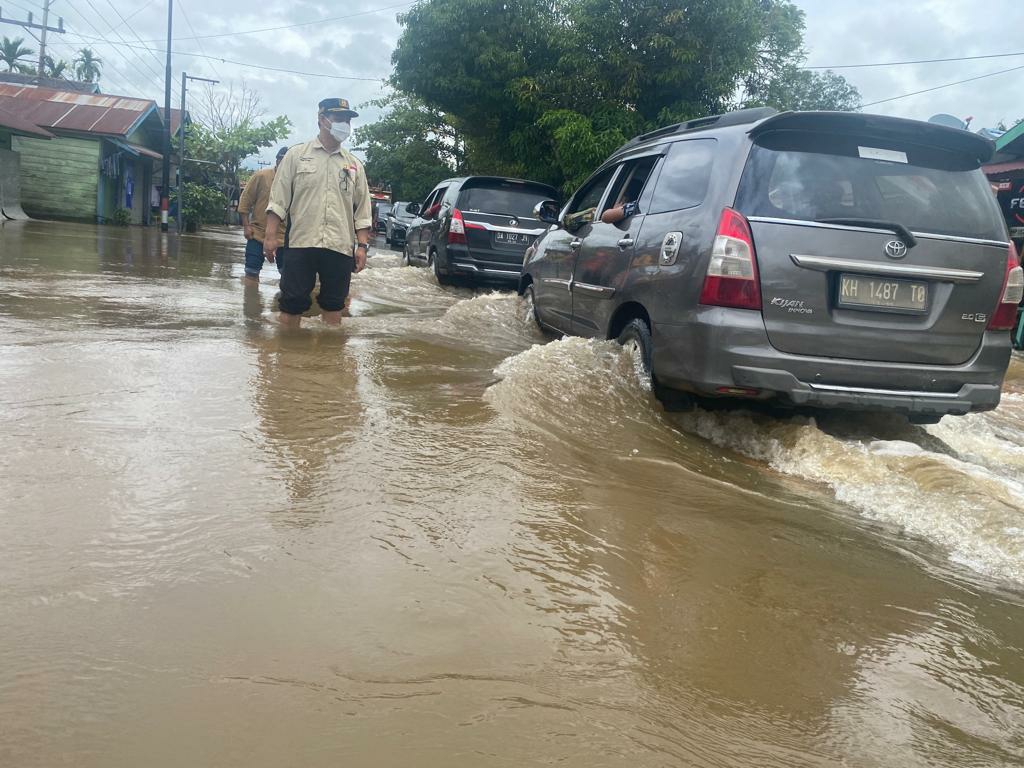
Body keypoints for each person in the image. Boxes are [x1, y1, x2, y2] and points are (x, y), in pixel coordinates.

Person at [264, 98, 371, 327]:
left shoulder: (354, 166)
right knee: (291, 304)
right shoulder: (296, 156)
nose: (345, 124)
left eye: (348, 120)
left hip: (339, 246)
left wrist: (361, 247)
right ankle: (289, 358)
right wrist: (270, 236)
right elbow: (278, 201)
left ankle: (329, 361)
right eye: (339, 119)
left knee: (334, 306)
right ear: (322, 120)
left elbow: (362, 210)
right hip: (301, 242)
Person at [238, 146, 289, 282]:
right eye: (281, 159)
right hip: (258, 233)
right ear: (277, 160)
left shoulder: (295, 181)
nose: (283, 163)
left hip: (284, 237)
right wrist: (246, 226)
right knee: (251, 272)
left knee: (288, 277)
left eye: (287, 161)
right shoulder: (261, 176)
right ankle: (251, 301)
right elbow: (245, 200)